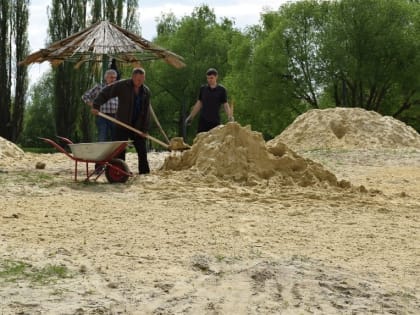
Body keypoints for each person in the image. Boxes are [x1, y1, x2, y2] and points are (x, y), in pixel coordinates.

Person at [91, 68, 151, 174]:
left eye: (142, 80)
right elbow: (106, 92)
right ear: (133, 77)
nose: (140, 83)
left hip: (137, 125)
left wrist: (144, 129)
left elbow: (146, 112)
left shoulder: (146, 91)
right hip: (122, 123)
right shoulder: (123, 85)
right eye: (138, 80)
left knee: (142, 149)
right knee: (120, 151)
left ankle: (144, 172)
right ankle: (120, 171)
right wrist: (96, 105)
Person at [185, 68, 233, 133]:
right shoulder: (203, 89)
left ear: (216, 77)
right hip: (203, 121)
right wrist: (191, 117)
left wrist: (230, 117)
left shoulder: (222, 90)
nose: (209, 80)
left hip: (215, 121)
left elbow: (225, 105)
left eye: (211, 78)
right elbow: (199, 104)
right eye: (208, 78)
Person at [82, 69, 118, 142]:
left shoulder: (118, 88)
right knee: (102, 135)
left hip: (115, 116)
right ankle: (102, 152)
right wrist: (93, 105)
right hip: (102, 115)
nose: (113, 79)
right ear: (106, 78)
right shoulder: (99, 87)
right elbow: (85, 96)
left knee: (116, 136)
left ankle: (115, 153)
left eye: (115, 77)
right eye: (111, 77)